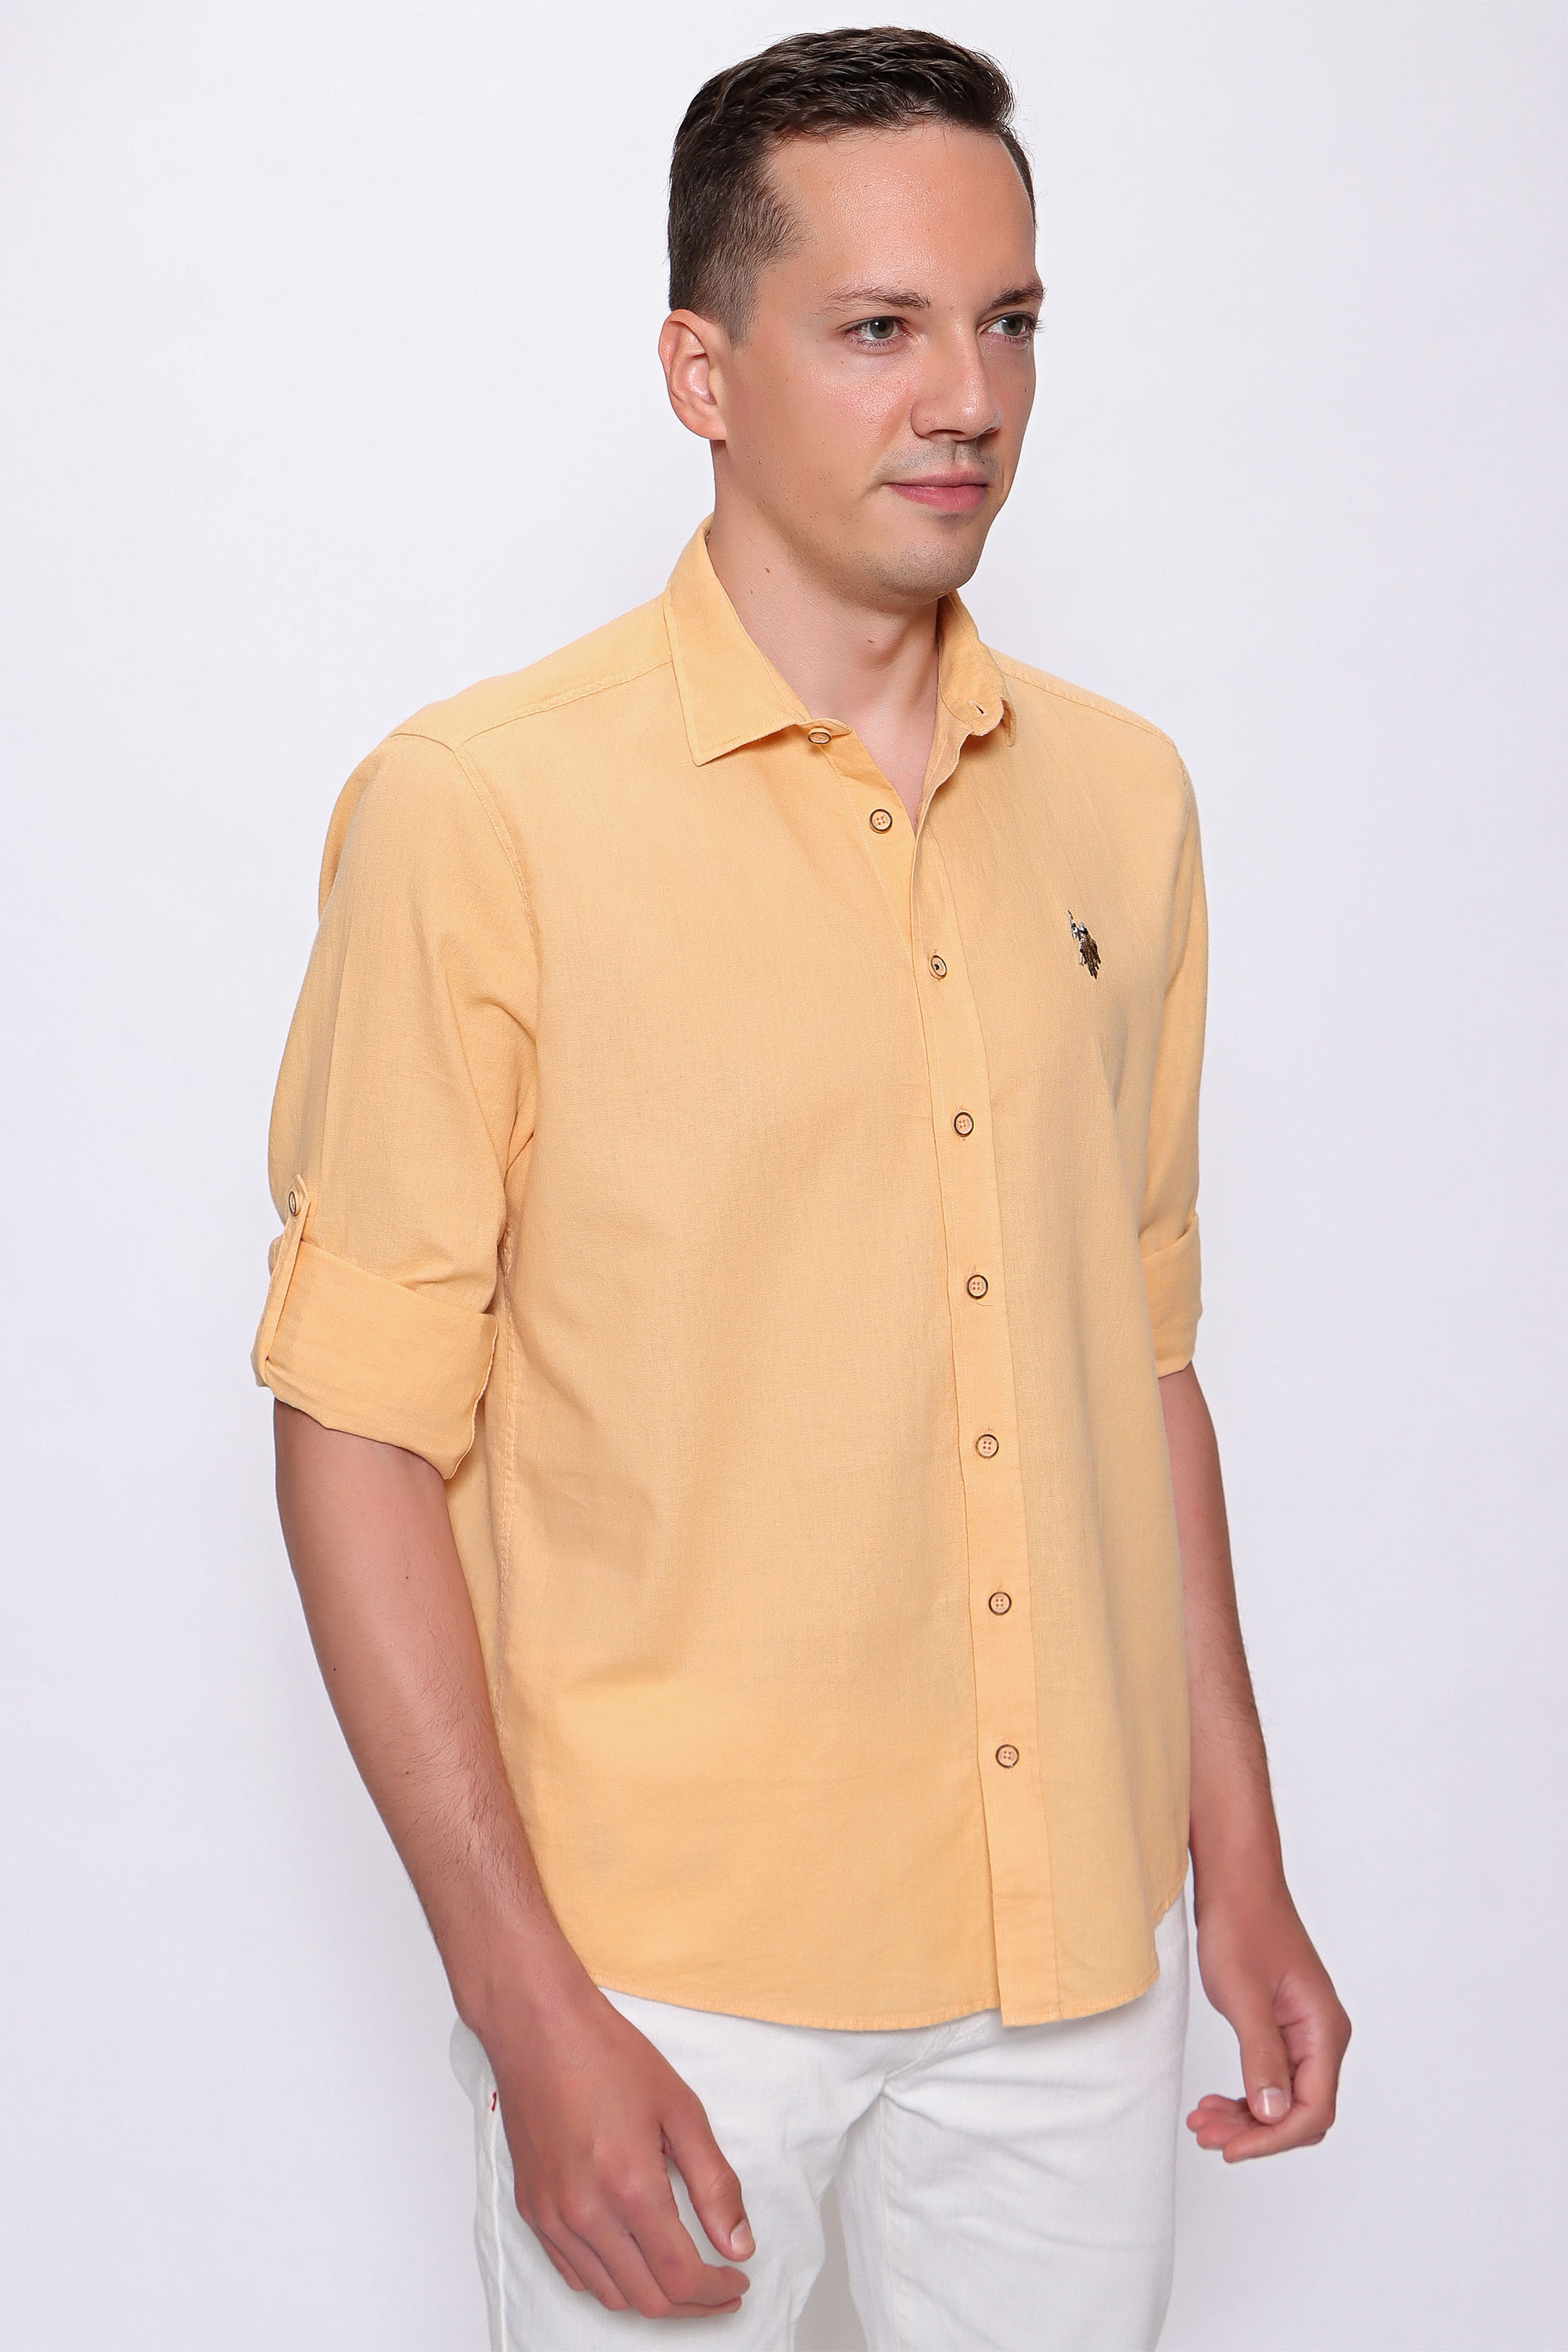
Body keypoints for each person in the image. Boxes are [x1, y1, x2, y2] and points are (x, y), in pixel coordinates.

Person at [253, 26, 1350, 2350]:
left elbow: (1137, 1359)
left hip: (1070, 1958)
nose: (967, 398)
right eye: (877, 326)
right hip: (661, 1967)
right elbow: (355, 1428)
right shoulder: (481, 811)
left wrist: (1232, 1863)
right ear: (702, 370)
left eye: (1008, 322)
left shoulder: (1124, 801)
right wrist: (522, 1997)